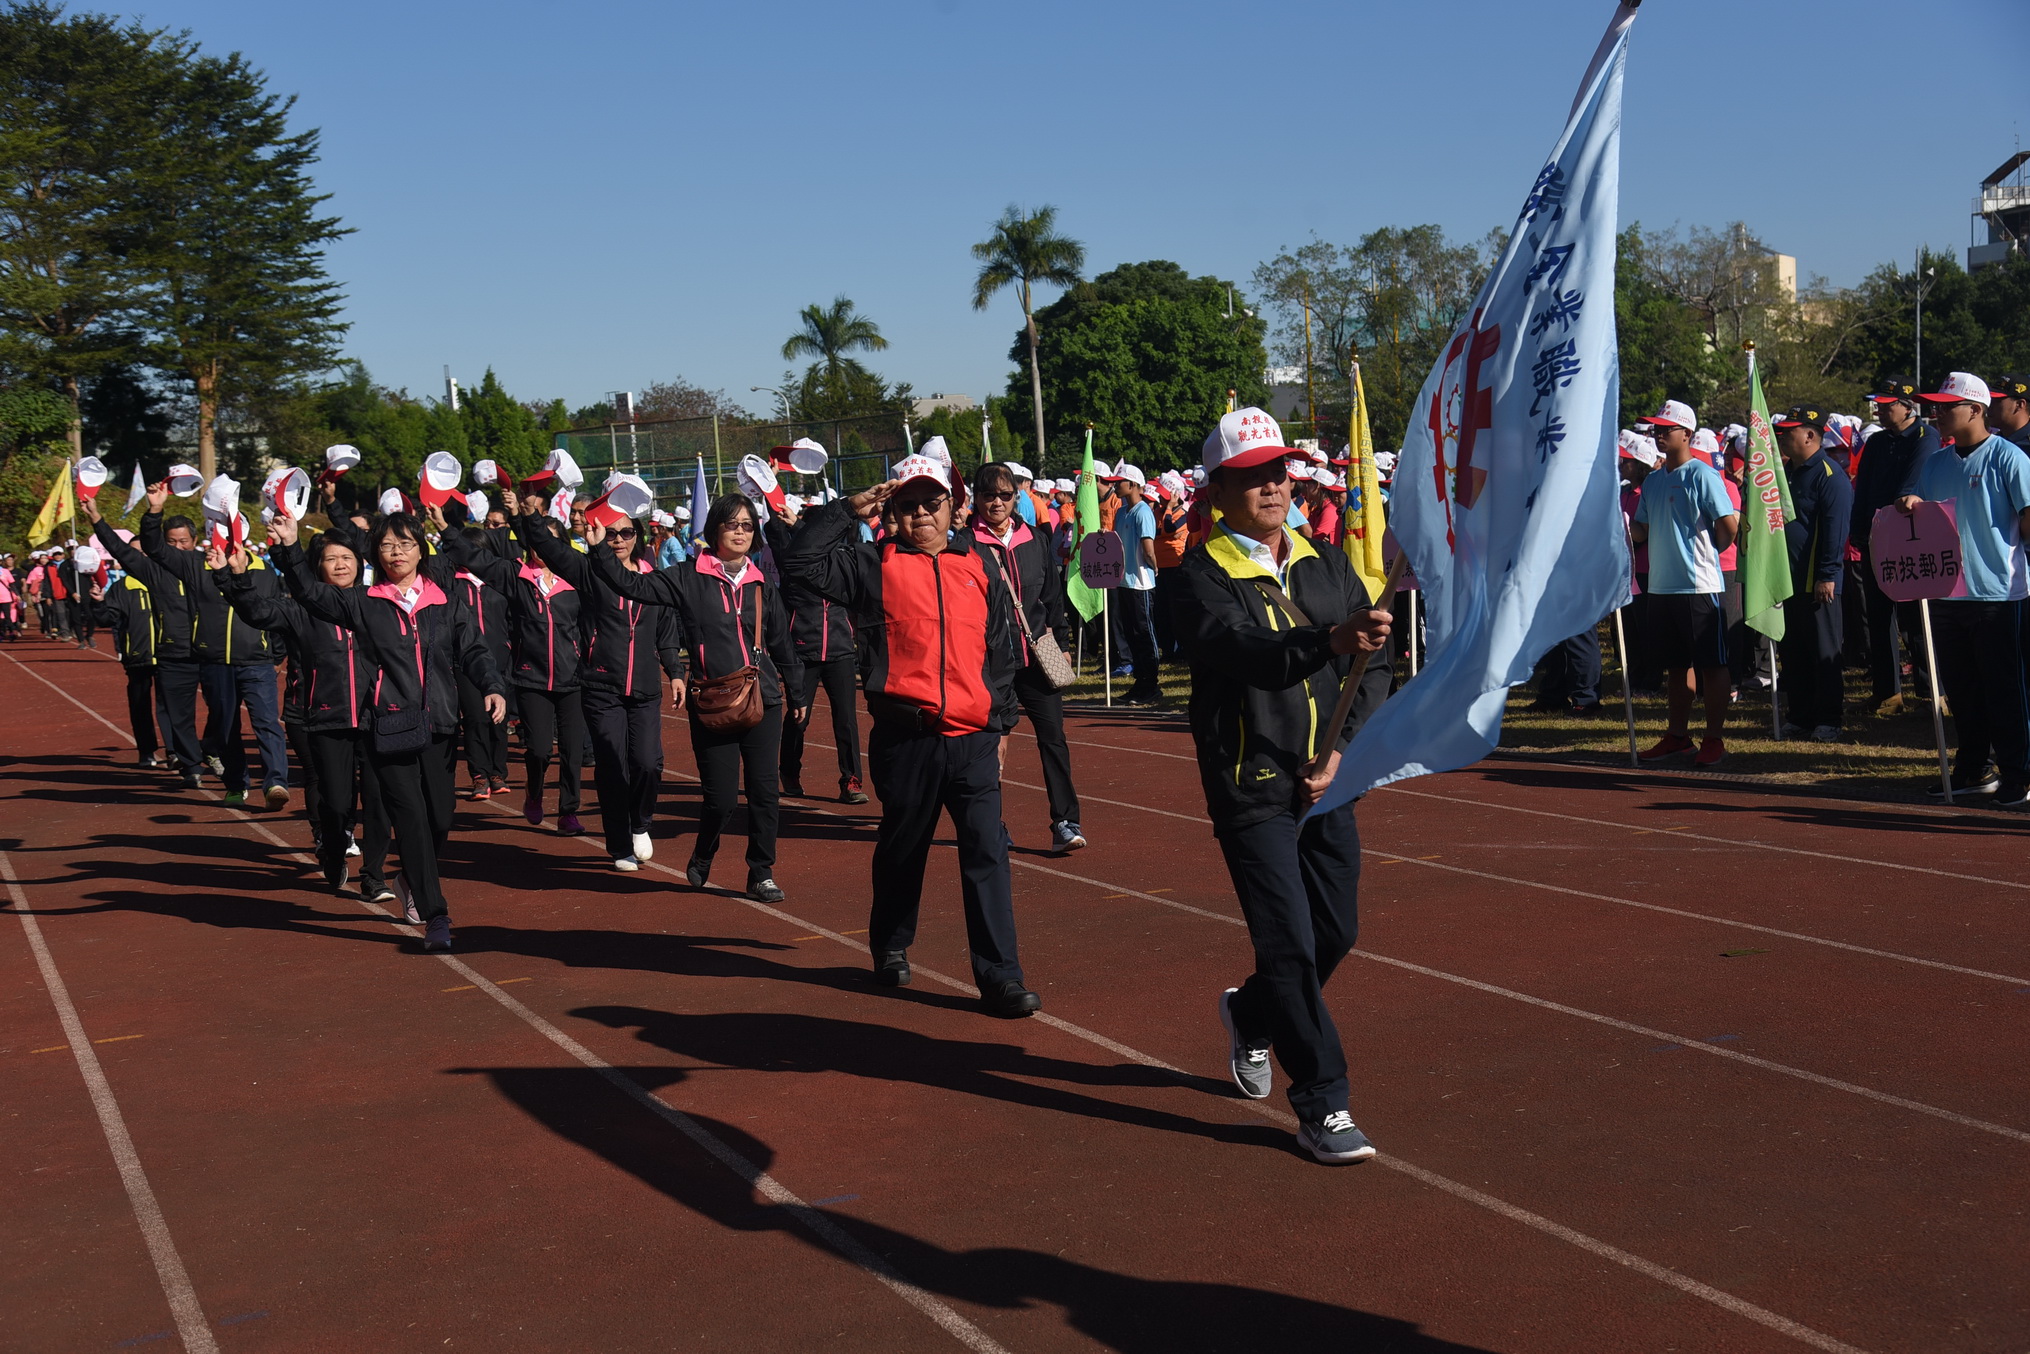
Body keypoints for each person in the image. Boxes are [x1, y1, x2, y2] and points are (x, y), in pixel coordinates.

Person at [1175, 407, 1393, 1164]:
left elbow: (1371, 667)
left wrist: (1344, 753)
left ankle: (1254, 1013)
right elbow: (1242, 653)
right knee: (1291, 944)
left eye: (1279, 471)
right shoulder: (1200, 575)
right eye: (1252, 476)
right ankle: (1323, 1104)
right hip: (1252, 784)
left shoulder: (1325, 559)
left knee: (1336, 933)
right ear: (1219, 490)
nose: (1272, 486)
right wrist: (1328, 640)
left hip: (1328, 781)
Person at [783, 455, 1038, 1017]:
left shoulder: (980, 566)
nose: (921, 513)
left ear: (954, 507)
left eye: (932, 502)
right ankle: (891, 943)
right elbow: (798, 561)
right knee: (904, 849)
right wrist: (848, 509)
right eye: (908, 505)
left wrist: (1002, 723)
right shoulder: (870, 564)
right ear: (892, 511)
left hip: (972, 737)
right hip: (907, 738)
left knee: (987, 853)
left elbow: (998, 652)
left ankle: (1000, 976)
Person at [264, 510, 506, 950]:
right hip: (388, 724)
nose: (396, 553)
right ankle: (437, 914)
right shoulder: (364, 602)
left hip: (440, 723)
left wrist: (491, 686)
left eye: (405, 544)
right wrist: (291, 546)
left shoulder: (445, 600)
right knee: (410, 818)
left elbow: (472, 649)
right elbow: (311, 592)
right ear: (376, 553)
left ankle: (410, 877)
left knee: (440, 818)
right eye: (387, 546)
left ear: (420, 549)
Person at [588, 493, 801, 902]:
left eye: (747, 525)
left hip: (762, 698)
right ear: (715, 528)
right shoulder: (686, 576)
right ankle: (705, 851)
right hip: (712, 702)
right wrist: (601, 548)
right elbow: (631, 584)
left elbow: (780, 639)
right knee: (720, 800)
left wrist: (798, 688)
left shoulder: (761, 581)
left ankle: (761, 871)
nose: (740, 531)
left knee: (764, 792)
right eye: (732, 524)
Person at [216, 528, 391, 895]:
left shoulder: (377, 601)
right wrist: (235, 576)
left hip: (377, 717)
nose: (341, 565)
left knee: (378, 799)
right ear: (317, 567)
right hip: (327, 718)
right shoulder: (301, 608)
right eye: (331, 559)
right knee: (338, 800)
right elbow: (258, 612)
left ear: (360, 563)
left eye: (347, 557)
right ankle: (332, 847)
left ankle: (373, 876)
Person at [516, 504, 686, 871]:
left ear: (637, 536)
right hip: (600, 687)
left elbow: (665, 632)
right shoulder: (588, 571)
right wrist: (530, 516)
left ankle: (640, 822)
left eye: (626, 533)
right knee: (612, 765)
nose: (619, 540)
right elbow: (549, 547)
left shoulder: (653, 578)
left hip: (643, 689)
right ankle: (619, 843)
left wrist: (674, 670)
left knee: (647, 763)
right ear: (598, 536)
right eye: (611, 534)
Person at [1907, 373, 2030, 803]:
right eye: (1935, 406)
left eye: (1946, 406)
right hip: (1945, 593)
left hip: (1998, 594)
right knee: (1962, 689)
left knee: (2006, 688)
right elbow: (1921, 517)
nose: (1936, 413)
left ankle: (2020, 772)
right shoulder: (1936, 463)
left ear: (1976, 410)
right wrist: (1911, 506)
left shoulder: (2009, 458)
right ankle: (1975, 767)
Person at [956, 461, 1086, 853]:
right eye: (988, 495)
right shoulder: (964, 543)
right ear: (975, 499)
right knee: (992, 745)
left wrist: (1061, 641)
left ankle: (1065, 820)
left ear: (1017, 498)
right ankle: (992, 823)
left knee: (1054, 739)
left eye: (1004, 495)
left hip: (1038, 657)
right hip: (992, 661)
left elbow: (1052, 597)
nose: (996, 502)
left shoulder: (1036, 539)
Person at [439, 498, 588, 835]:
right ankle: (533, 792)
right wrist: (446, 530)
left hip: (573, 679)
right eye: (537, 542)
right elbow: (476, 557)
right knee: (537, 751)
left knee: (572, 750)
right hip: (532, 679)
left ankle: (568, 811)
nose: (542, 549)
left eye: (550, 542)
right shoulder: (516, 576)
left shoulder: (577, 580)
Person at [1629, 401, 1739, 767]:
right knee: (1676, 666)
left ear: (1687, 434)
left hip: (1698, 587)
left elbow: (1727, 526)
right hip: (1661, 587)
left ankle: (1714, 739)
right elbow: (1641, 529)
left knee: (1712, 665)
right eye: (1656, 429)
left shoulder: (1702, 475)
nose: (1658, 434)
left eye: (1666, 429)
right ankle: (1677, 736)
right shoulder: (1655, 480)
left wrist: (1707, 555)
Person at [84, 495, 206, 785]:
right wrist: (96, 518)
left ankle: (211, 750)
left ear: (195, 540)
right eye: (171, 542)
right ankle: (190, 764)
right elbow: (120, 550)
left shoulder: (209, 565)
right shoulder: (153, 572)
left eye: (184, 541)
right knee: (179, 713)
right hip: (173, 654)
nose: (178, 547)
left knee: (225, 710)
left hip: (214, 651)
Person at [1850, 377, 1939, 714]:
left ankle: (1931, 690)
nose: (1880, 411)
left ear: (1906, 406)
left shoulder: (1923, 437)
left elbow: (1911, 485)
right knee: (1879, 613)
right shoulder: (1876, 442)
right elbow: (1863, 490)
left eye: (1887, 405)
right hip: (1876, 537)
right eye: (1878, 405)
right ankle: (1888, 691)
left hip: (1909, 538)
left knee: (1916, 618)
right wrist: (1858, 530)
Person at [764, 507, 865, 805]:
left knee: (847, 719)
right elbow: (774, 532)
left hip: (840, 648)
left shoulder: (842, 559)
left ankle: (851, 780)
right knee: (799, 716)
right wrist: (772, 497)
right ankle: (790, 770)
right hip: (802, 648)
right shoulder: (791, 558)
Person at [1773, 406, 1854, 740]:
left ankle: (1828, 718)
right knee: (1794, 652)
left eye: (1789, 430)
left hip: (1816, 580)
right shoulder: (1784, 471)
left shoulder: (1828, 474)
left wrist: (1827, 574)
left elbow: (1835, 530)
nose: (1782, 436)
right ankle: (1800, 715)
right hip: (1787, 578)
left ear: (1810, 434)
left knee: (1823, 651)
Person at [449, 527, 513, 800]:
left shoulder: (499, 581)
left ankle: (498, 772)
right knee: (475, 719)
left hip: (500, 659)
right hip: (466, 664)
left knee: (498, 720)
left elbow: (513, 620)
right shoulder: (452, 583)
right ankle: (479, 775)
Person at [86, 563, 162, 765]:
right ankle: (146, 750)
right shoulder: (121, 587)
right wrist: (99, 602)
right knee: (140, 705)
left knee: (172, 706)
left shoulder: (166, 581)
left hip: (169, 655)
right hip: (137, 656)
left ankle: (176, 752)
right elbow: (106, 619)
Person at [1108, 463, 1161, 702]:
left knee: (1144, 634)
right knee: (1131, 633)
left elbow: (1147, 547)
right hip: (1124, 581)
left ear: (1132, 484)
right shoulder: (1121, 511)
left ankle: (1151, 685)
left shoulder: (1143, 512)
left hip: (1141, 583)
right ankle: (1140, 683)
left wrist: (1154, 565)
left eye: (1119, 482)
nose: (1115, 486)